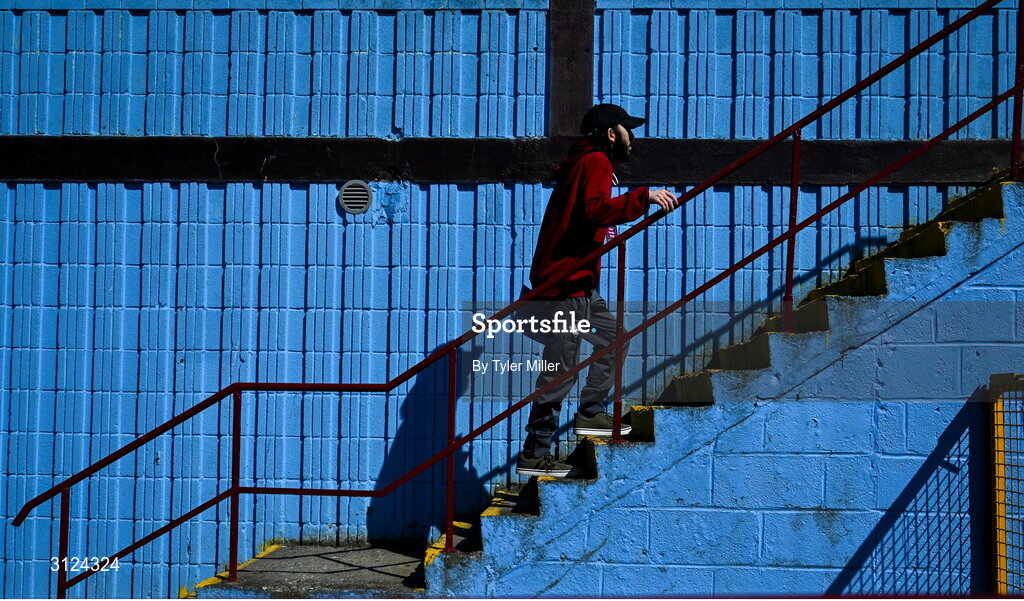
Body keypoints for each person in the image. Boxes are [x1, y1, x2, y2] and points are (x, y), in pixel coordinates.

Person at [516, 103, 681, 477]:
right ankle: (535, 452)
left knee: (613, 338)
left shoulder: (585, 163)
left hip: (580, 290)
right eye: (627, 130)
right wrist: (644, 197)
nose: (632, 139)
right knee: (561, 368)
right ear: (611, 134)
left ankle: (591, 413)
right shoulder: (595, 162)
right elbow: (593, 211)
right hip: (566, 291)